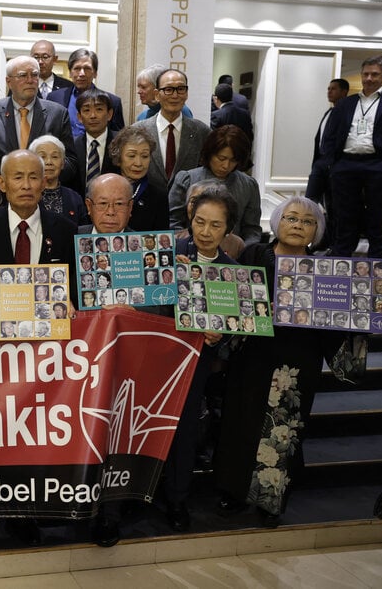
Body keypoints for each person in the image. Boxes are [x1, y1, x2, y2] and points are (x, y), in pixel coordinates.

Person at [216, 196, 344, 529]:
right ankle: (232, 491)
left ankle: (272, 501)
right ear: (277, 222)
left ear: (316, 231)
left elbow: (340, 321)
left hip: (298, 362)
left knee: (284, 431)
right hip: (253, 355)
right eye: (291, 218)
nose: (299, 225)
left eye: (307, 221)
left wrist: (374, 323)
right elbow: (228, 298)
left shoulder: (324, 271)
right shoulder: (255, 254)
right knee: (240, 422)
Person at [164, 186, 237, 533]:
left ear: (228, 230)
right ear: (190, 219)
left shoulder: (232, 271)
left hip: (196, 365)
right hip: (157, 355)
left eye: (215, 226)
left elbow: (239, 332)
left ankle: (177, 499)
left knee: (185, 429)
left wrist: (220, 335)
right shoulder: (168, 253)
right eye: (200, 222)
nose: (205, 232)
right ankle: (137, 494)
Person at [0, 149, 77, 300]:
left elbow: (73, 287)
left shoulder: (66, 230)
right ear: (2, 183)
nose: (26, 185)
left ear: (43, 183)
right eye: (18, 177)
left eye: (33, 177)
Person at [322, 56, 382, 257]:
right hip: (345, 165)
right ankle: (342, 258)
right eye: (366, 74)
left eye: (375, 74)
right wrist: (332, 164)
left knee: (377, 214)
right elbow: (329, 135)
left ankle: (375, 261)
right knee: (344, 214)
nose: (369, 78)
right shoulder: (346, 103)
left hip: (378, 165)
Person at [0, 56, 77, 181]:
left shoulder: (57, 114)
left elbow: (71, 161)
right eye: (23, 75)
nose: (30, 80)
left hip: (44, 192)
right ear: (9, 82)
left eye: (34, 75)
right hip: (1, 194)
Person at [168, 125, 262, 244]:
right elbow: (173, 221)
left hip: (234, 255)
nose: (226, 166)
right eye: (221, 158)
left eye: (233, 160)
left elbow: (252, 229)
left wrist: (244, 251)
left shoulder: (248, 185)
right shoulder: (187, 179)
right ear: (210, 153)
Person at [132, 69, 211, 189]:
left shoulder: (202, 132)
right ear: (157, 95)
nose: (175, 95)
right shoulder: (137, 131)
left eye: (180, 89)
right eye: (168, 90)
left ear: (186, 93)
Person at [306, 78, 349, 249]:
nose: (329, 92)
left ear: (344, 92)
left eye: (333, 89)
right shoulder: (329, 112)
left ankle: (332, 243)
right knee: (310, 201)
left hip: (335, 165)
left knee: (333, 207)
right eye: (328, 88)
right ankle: (314, 239)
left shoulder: (346, 113)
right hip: (320, 163)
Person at [47, 48, 125, 136]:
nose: (82, 73)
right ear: (70, 72)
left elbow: (118, 138)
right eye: (77, 68)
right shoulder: (54, 98)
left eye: (87, 68)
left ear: (95, 73)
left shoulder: (113, 101)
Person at [107, 125, 169, 231]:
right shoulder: (104, 188)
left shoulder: (159, 196)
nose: (139, 163)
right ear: (118, 158)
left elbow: (163, 240)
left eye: (144, 156)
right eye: (131, 156)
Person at [73, 88, 118, 196]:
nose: (93, 115)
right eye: (87, 110)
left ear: (109, 114)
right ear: (79, 117)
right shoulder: (72, 146)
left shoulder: (121, 143)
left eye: (99, 109)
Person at [32, 135, 85, 225]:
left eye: (55, 157)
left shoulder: (75, 198)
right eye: (42, 157)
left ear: (63, 163)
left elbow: (82, 234)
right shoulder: (26, 195)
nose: (49, 162)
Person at [210, 84, 254, 150]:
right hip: (241, 154)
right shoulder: (245, 114)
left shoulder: (216, 115)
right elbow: (250, 136)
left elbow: (214, 140)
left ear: (216, 98)